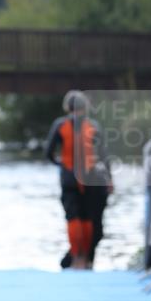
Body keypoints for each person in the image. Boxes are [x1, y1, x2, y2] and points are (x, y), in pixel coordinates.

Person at [44, 90, 113, 270]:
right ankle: (88, 260)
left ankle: (76, 258)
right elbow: (104, 156)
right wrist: (110, 179)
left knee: (72, 216)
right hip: (90, 176)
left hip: (68, 176)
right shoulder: (94, 126)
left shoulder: (60, 125)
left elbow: (48, 152)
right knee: (89, 217)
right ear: (85, 106)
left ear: (68, 106)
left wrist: (60, 164)